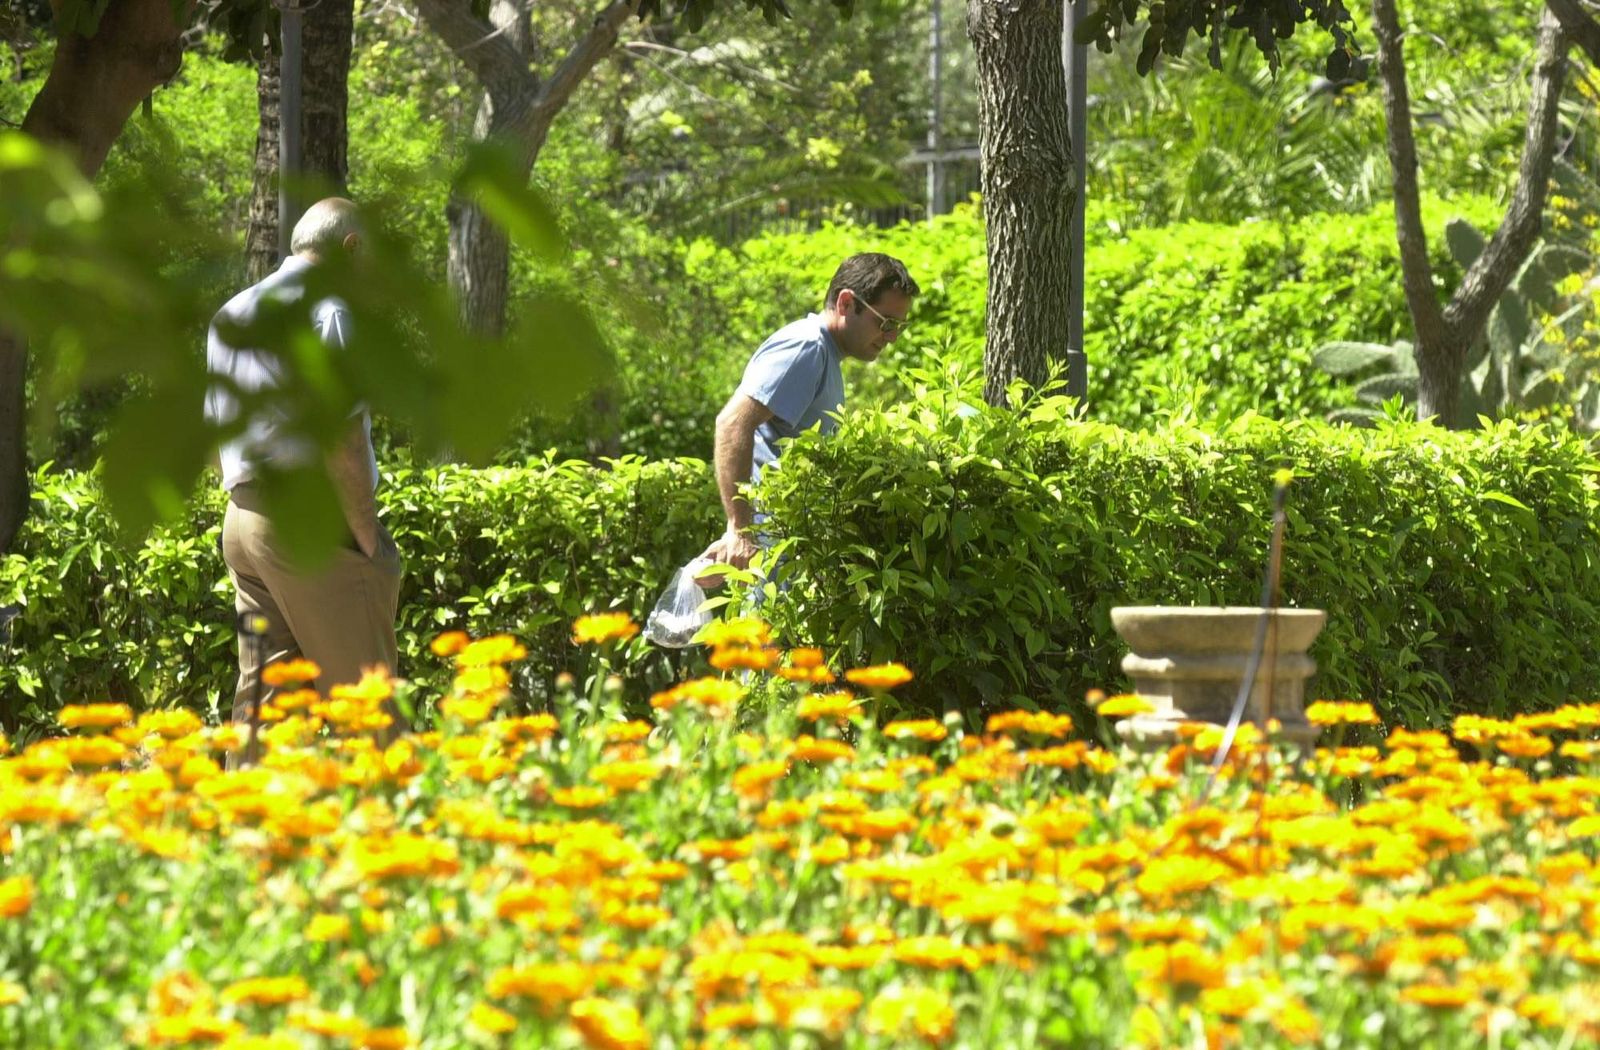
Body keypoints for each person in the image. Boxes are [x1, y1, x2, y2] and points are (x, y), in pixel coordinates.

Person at [204, 198, 402, 756]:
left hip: (243, 525)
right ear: (351, 247)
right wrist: (366, 539)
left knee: (265, 702)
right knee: (367, 704)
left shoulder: (234, 310)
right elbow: (340, 432)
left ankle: (246, 830)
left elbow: (212, 431)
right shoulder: (330, 309)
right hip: (309, 528)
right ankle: (385, 831)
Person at [702, 252, 919, 576]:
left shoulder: (824, 354)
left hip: (783, 554)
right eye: (885, 323)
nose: (892, 337)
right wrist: (739, 531)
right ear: (846, 303)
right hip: (770, 557)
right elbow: (733, 424)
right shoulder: (807, 348)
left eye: (898, 326)